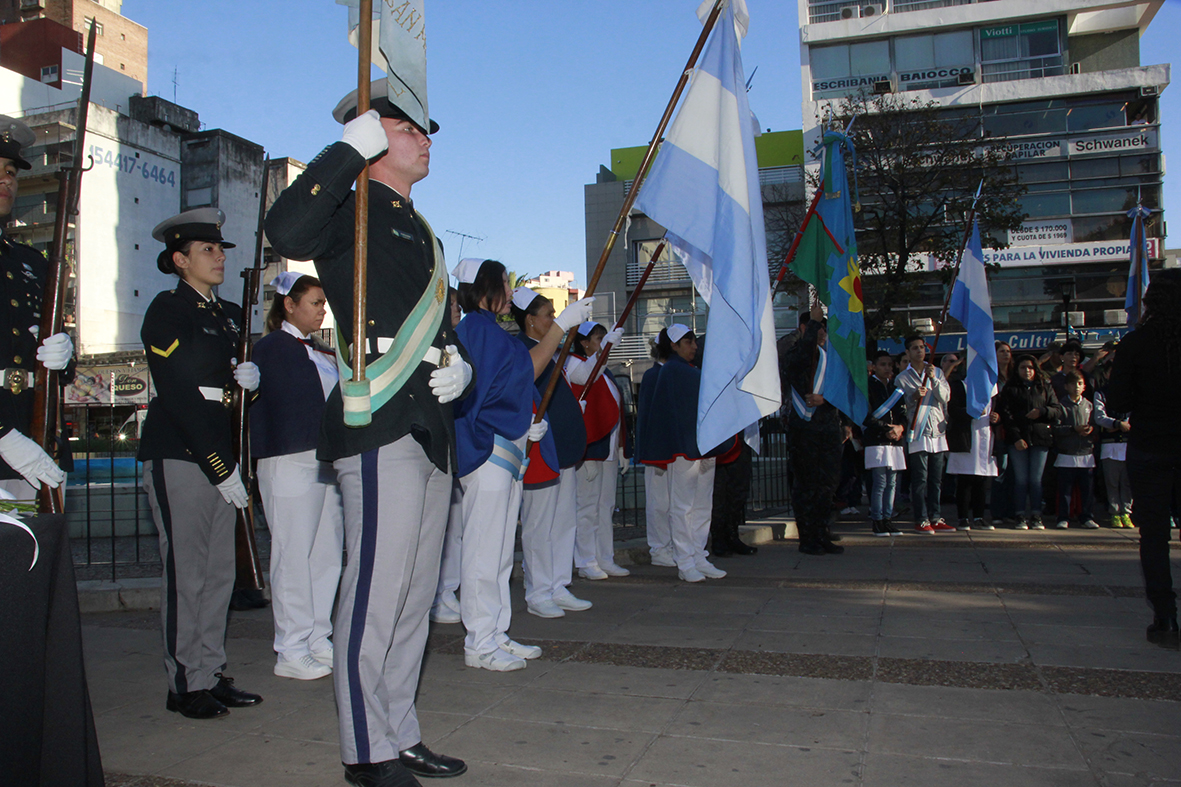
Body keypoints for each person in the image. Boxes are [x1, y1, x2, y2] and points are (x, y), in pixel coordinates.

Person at [264, 83, 471, 784]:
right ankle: (365, 749)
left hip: (429, 424)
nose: (426, 139)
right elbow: (284, 233)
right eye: (409, 128)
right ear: (375, 135)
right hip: (378, 418)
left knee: (413, 597)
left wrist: (461, 367)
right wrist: (344, 151)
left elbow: (437, 330)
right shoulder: (347, 204)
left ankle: (398, 729)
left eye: (426, 131)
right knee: (374, 594)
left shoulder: (423, 229)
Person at [138, 208, 263, 720]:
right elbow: (181, 393)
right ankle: (183, 682)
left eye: (221, 249)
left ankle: (208, 672)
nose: (218, 257)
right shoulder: (168, 311)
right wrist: (218, 464)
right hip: (182, 453)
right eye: (207, 250)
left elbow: (227, 399)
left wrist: (249, 388)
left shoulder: (230, 314)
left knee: (217, 575)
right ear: (179, 259)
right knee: (186, 573)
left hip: (221, 457)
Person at [450, 259, 558, 672]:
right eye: (505, 285)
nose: (511, 293)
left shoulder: (489, 330)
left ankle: (495, 632)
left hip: (504, 447)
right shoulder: (475, 329)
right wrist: (561, 329)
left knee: (497, 552)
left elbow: (512, 381)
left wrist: (521, 425)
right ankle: (479, 640)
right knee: (483, 549)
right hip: (488, 448)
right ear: (485, 287)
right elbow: (506, 380)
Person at [250, 272, 344, 681]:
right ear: (289, 305)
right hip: (288, 458)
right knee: (293, 555)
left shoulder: (322, 350)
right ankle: (290, 647)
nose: (322, 309)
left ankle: (318, 636)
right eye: (315, 302)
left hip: (324, 460)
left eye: (323, 303)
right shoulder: (269, 348)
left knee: (325, 554)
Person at [1106, 269, 1181, 648]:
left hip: (1151, 444)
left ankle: (1165, 616)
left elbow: (1117, 401)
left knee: (1154, 536)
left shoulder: (1136, 344)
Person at [0, 116, 73, 500]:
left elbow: (51, 349)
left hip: (34, 434)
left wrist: (65, 353)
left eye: (10, 171)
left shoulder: (30, 261)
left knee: (29, 557)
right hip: (8, 438)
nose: (6, 179)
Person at [511, 286, 594, 618]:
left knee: (563, 521)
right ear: (530, 321)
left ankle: (559, 583)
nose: (554, 320)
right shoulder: (522, 350)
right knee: (539, 523)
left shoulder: (553, 351)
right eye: (548, 315)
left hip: (563, 448)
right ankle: (538, 590)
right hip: (541, 448)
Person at [642, 324, 729, 578]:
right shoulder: (671, 371)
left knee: (702, 504)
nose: (694, 347)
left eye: (694, 342)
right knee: (683, 506)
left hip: (702, 447)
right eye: (688, 342)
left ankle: (698, 554)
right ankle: (685, 561)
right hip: (684, 450)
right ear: (674, 345)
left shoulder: (691, 371)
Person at [567, 321, 633, 579]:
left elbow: (615, 411)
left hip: (607, 448)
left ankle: (605, 557)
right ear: (584, 342)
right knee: (587, 506)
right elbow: (585, 376)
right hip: (591, 448)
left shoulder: (605, 371)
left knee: (606, 506)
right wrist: (586, 453)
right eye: (598, 338)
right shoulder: (572, 363)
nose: (603, 342)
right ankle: (585, 560)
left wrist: (621, 448)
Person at [783, 302, 845, 555]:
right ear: (803, 328)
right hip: (804, 428)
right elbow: (800, 360)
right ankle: (807, 537)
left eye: (823, 328)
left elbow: (842, 391)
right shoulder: (795, 352)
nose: (821, 332)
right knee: (806, 484)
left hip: (829, 427)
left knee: (827, 485)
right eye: (816, 327)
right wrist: (813, 325)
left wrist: (826, 400)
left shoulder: (831, 358)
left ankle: (822, 533)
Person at [896, 336, 954, 533]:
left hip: (937, 432)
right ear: (908, 353)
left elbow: (946, 397)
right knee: (920, 478)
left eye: (922, 347)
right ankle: (921, 518)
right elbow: (900, 406)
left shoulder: (936, 371)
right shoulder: (902, 377)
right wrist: (913, 396)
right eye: (915, 348)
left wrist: (934, 380)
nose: (919, 351)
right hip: (918, 432)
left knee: (936, 479)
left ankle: (935, 516)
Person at [998, 354, 1061, 530]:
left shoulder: (1044, 387)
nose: (1027, 371)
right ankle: (1019, 515)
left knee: (1035, 479)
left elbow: (1057, 409)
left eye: (1031, 367)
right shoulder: (1010, 388)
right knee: (1020, 479)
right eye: (1023, 367)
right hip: (1017, 439)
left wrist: (1042, 411)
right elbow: (1007, 416)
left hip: (1040, 438)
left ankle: (1036, 515)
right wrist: (1017, 438)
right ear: (1017, 370)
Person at [637, 331, 674, 566]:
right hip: (658, 451)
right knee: (659, 503)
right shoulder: (653, 375)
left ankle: (671, 545)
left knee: (673, 503)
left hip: (673, 449)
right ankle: (659, 549)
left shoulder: (672, 373)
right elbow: (648, 417)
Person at [946, 373, 999, 531]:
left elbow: (997, 410)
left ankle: (979, 517)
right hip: (966, 438)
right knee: (965, 480)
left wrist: (996, 417)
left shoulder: (992, 389)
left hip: (986, 437)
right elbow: (953, 410)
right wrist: (972, 412)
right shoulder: (960, 386)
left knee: (981, 481)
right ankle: (963, 518)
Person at [863, 351, 906, 537]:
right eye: (883, 364)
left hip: (894, 440)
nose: (887, 368)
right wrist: (887, 428)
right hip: (877, 440)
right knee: (880, 482)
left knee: (892, 482)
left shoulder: (895, 389)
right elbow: (866, 416)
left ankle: (888, 519)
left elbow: (903, 413)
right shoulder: (869, 387)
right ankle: (877, 519)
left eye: (890, 364)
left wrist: (900, 427)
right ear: (874, 367)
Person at [1051, 370, 1099, 529]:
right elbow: (1056, 429)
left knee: (1087, 489)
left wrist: (1091, 430)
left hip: (1086, 453)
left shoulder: (1089, 405)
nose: (1076, 387)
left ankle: (1086, 516)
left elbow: (1096, 425)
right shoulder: (1061, 405)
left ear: (1084, 386)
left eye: (1079, 384)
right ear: (1066, 386)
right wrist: (1073, 429)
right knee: (1065, 490)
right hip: (1067, 453)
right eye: (1073, 384)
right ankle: (1063, 517)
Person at [1093, 367, 1133, 529]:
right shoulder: (1101, 393)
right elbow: (1099, 417)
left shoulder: (1132, 392)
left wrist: (1126, 424)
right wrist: (1117, 424)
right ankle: (1114, 512)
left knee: (1127, 481)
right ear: (1106, 374)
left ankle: (1126, 512)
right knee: (1112, 481)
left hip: (1129, 443)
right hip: (1110, 444)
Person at [990, 341, 1018, 525]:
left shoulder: (1016, 377)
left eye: (1008, 351)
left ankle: (1012, 511)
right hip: (999, 430)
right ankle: (998, 512)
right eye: (1001, 351)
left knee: (1015, 473)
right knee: (1000, 470)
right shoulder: (991, 377)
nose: (1005, 354)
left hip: (1015, 429)